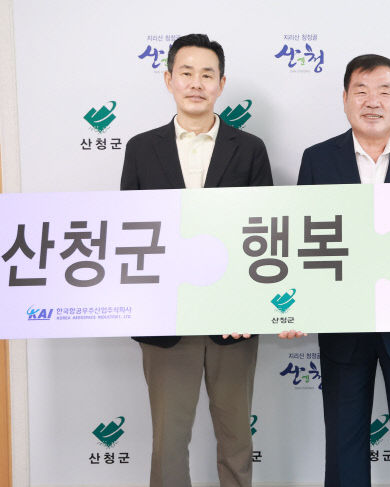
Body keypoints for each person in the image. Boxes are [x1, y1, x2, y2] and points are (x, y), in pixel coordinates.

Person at [120, 33, 273, 487]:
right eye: (186, 73)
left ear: (221, 84)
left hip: (233, 322)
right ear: (168, 79)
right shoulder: (141, 148)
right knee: (168, 445)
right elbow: (130, 233)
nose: (196, 83)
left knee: (236, 441)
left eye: (207, 74)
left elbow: (264, 234)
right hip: (166, 321)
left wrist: (248, 307)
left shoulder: (249, 149)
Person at [293, 54, 390, 487]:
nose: (372, 101)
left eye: (384, 91)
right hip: (342, 324)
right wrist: (295, 307)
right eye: (361, 91)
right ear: (345, 98)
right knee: (344, 446)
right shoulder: (318, 160)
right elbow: (303, 239)